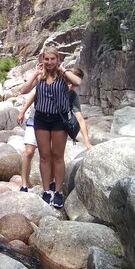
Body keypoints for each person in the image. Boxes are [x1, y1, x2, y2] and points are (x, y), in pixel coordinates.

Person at [20, 47, 82, 209]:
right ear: (42, 60)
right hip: (41, 119)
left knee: (58, 156)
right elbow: (23, 90)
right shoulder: (40, 77)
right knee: (44, 157)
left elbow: (78, 82)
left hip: (58, 120)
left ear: (58, 59)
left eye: (52, 59)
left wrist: (63, 69)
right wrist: (34, 73)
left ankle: (59, 192)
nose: (49, 62)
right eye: (46, 59)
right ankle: (47, 191)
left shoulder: (63, 76)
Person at [17, 66, 93, 193]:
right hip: (36, 118)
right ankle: (24, 184)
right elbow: (33, 95)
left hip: (54, 124)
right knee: (29, 152)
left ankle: (51, 183)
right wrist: (22, 112)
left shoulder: (72, 96)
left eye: (73, 84)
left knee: (52, 154)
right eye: (68, 82)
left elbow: (80, 119)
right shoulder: (51, 82)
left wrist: (87, 141)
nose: (70, 86)